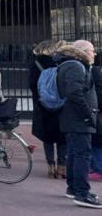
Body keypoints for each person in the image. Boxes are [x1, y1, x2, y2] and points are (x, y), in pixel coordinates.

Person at [55, 40, 100, 208]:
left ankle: (73, 188)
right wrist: (88, 115)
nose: (94, 54)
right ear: (82, 51)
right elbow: (74, 93)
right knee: (82, 154)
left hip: (72, 117)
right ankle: (82, 193)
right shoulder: (75, 66)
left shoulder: (70, 65)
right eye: (92, 50)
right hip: (78, 118)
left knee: (74, 152)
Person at [28, 40, 67, 179]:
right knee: (62, 138)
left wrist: (40, 99)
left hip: (42, 105)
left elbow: (32, 84)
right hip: (60, 104)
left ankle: (50, 166)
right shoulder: (60, 62)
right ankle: (62, 167)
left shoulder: (36, 63)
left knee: (47, 138)